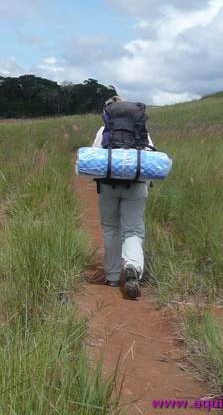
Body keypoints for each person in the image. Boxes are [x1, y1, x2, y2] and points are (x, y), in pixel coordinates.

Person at [92, 95, 152, 300]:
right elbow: (150, 158)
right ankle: (133, 267)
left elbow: (94, 160)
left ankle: (112, 276)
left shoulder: (104, 131)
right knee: (132, 229)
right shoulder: (141, 130)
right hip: (136, 185)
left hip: (108, 186)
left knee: (110, 228)